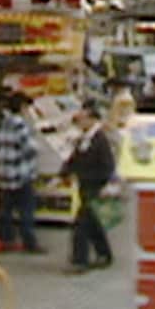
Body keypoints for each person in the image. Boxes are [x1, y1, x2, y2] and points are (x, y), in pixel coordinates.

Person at [62, 104, 116, 273]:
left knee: (81, 225)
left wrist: (104, 184)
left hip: (94, 186)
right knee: (92, 223)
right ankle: (104, 253)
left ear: (92, 119)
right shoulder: (84, 139)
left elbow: (108, 165)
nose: (80, 121)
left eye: (83, 118)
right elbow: (75, 159)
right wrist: (65, 172)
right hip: (84, 186)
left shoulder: (100, 140)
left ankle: (80, 260)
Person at [0, 93, 42, 254]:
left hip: (5, 172)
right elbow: (30, 148)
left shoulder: (3, 122)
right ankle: (30, 242)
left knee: (6, 209)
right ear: (23, 107)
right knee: (26, 210)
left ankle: (7, 240)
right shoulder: (21, 124)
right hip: (21, 173)